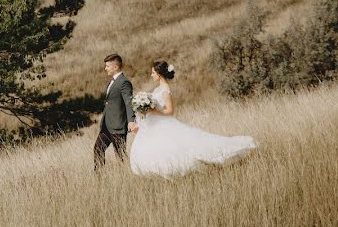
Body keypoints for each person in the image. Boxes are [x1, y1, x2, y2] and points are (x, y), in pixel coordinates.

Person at [129, 60, 257, 178]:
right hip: (152, 124)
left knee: (177, 146)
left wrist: (153, 111)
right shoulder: (157, 89)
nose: (151, 75)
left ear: (159, 73)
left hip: (162, 123)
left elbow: (170, 111)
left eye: (153, 73)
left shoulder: (165, 90)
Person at [94, 53, 137, 170]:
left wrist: (131, 121)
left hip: (118, 125)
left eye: (107, 66)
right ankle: (99, 177)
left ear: (115, 67)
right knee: (98, 149)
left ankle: (125, 176)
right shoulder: (111, 82)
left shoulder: (124, 82)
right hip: (106, 126)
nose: (105, 68)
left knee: (120, 155)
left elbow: (129, 102)